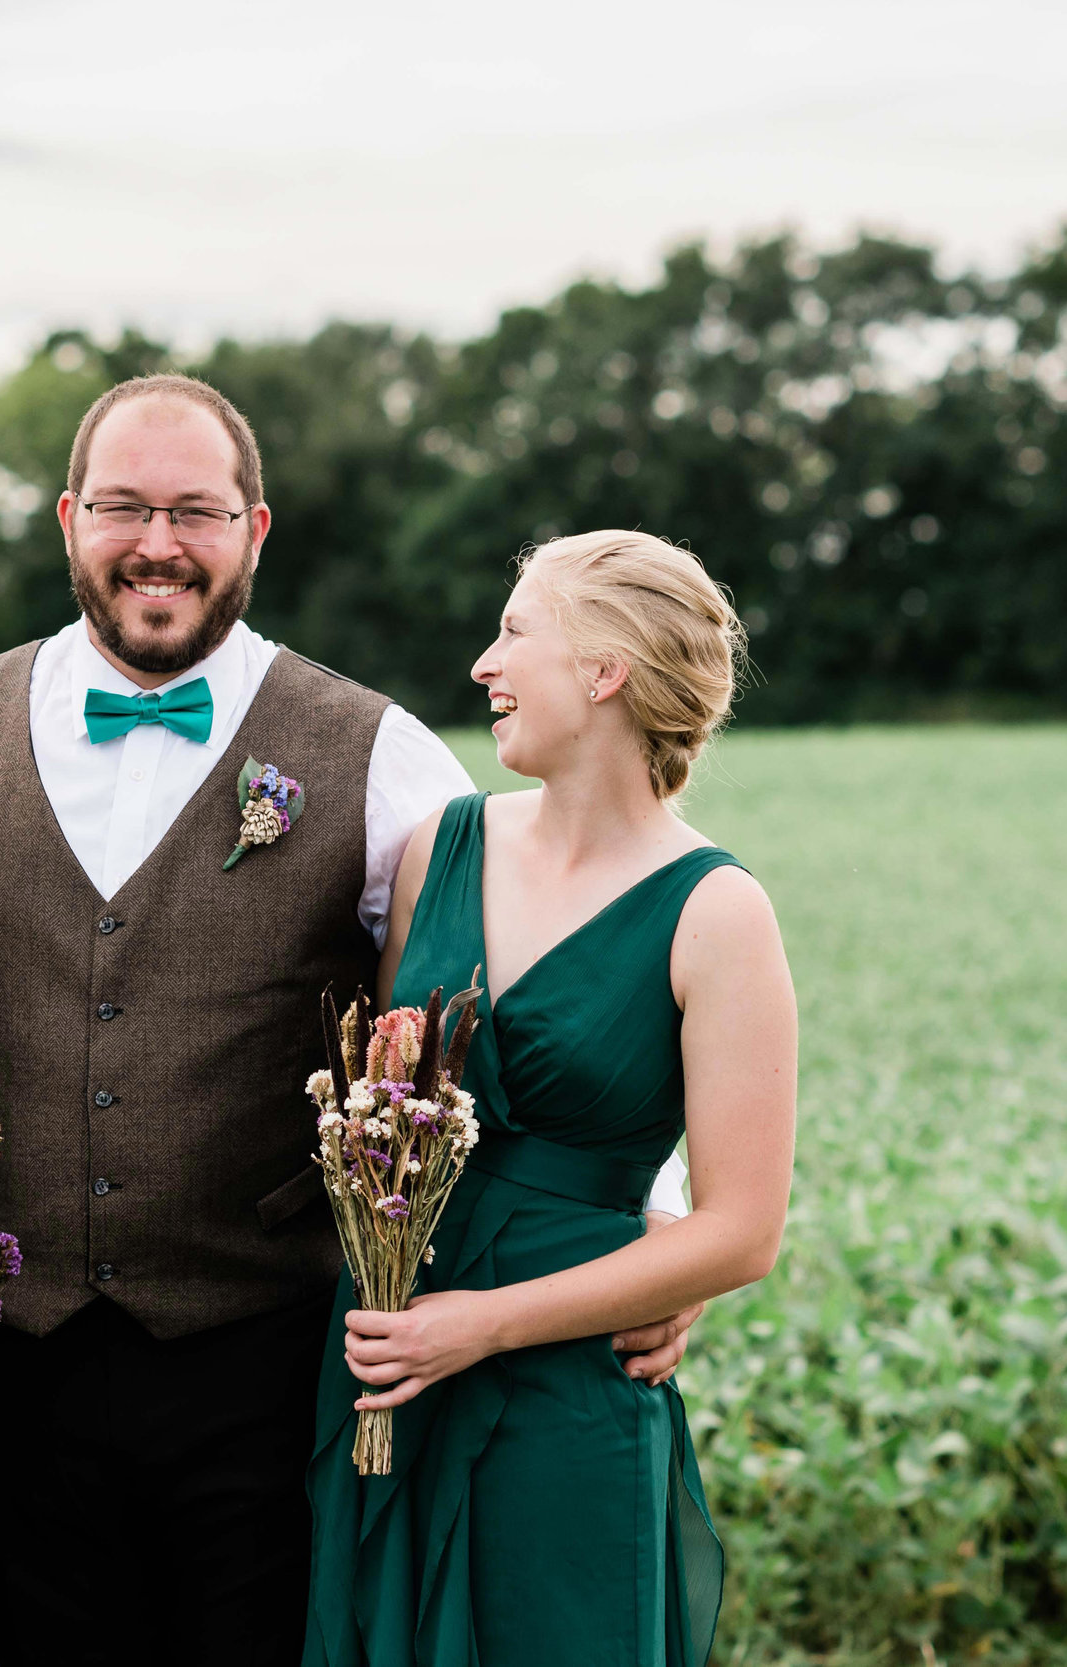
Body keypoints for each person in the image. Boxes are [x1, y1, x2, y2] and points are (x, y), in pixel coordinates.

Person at [0, 375, 710, 1665]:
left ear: (254, 531)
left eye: (196, 510)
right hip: (2, 1361)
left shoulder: (379, 753)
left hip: (266, 1359)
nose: (158, 540)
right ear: (66, 521)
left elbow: (528, 997)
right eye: (124, 506)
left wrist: (643, 1224)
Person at [303, 531, 799, 1667]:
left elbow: (743, 1228)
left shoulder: (716, 911)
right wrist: (415, 1319)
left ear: (603, 669)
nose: (484, 661)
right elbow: (392, 1108)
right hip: (387, 1360)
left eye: (514, 630)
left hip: (566, 1388)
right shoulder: (443, 844)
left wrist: (479, 1325)